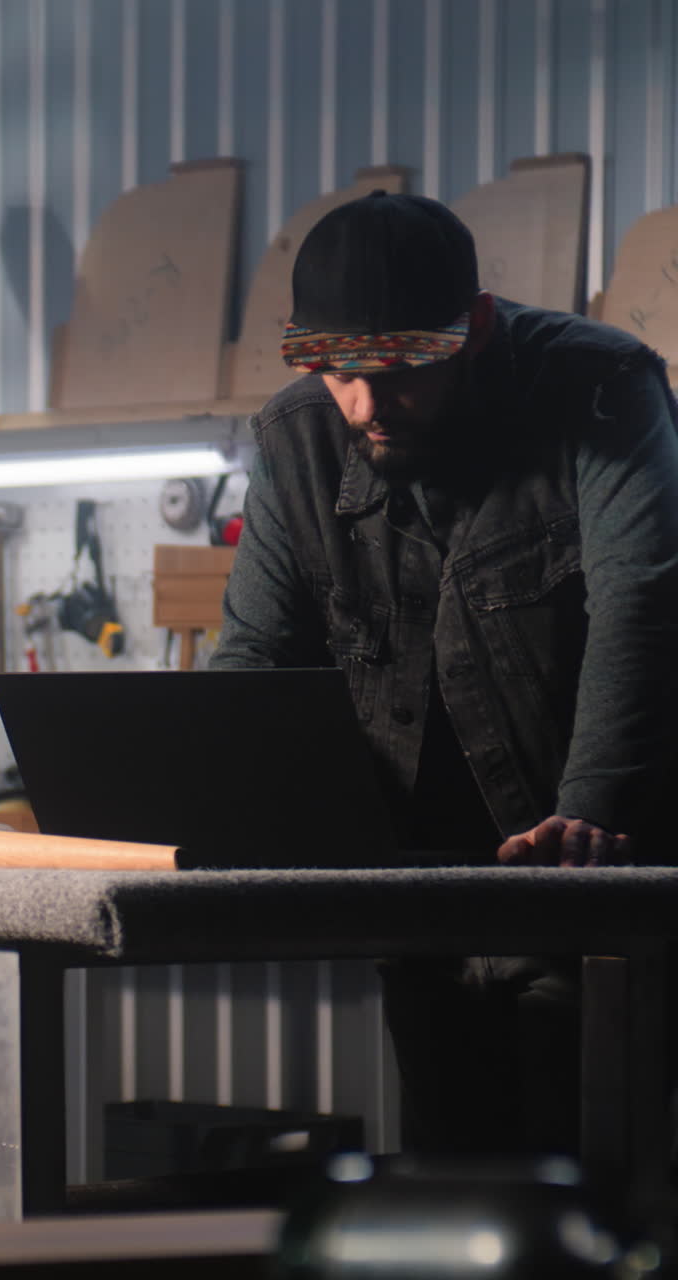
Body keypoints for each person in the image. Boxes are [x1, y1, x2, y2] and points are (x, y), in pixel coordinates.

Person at [210, 189, 678, 1156]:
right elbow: (255, 658)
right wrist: (199, 813)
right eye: (341, 374)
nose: (367, 406)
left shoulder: (601, 386)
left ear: (476, 326)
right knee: (451, 1187)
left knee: (591, 1191)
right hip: (420, 890)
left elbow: (646, 604)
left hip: (588, 883)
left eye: (402, 372)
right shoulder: (297, 437)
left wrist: (590, 807)